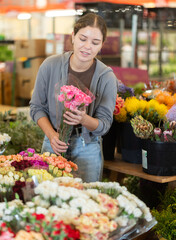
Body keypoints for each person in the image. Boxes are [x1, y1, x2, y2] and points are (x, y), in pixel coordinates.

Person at [30, 13, 118, 182]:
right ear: (73, 37)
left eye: (95, 42)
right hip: (53, 142)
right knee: (48, 199)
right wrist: (51, 135)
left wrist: (84, 119)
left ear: (102, 45)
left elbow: (104, 125)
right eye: (83, 39)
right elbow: (36, 107)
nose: (87, 47)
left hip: (88, 147)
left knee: (86, 200)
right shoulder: (50, 65)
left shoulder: (106, 77)